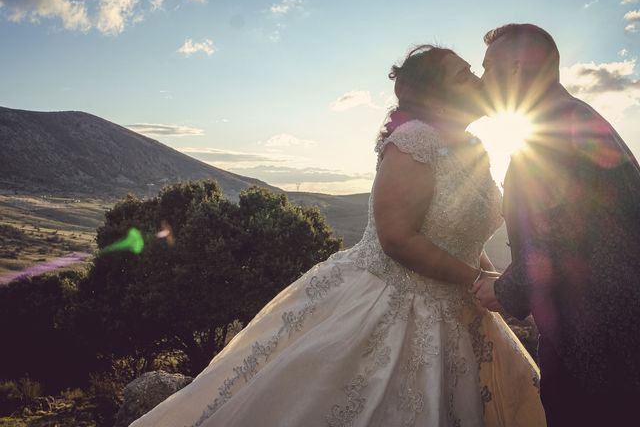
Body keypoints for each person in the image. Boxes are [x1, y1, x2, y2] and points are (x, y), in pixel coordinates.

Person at [130, 45, 545, 427]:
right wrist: (475, 280)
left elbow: (462, 234)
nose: (477, 80)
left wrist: (490, 280)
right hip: (393, 304)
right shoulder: (413, 143)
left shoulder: (475, 146)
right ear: (437, 97)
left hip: (457, 311)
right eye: (463, 75)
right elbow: (397, 238)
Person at [472, 23, 640, 426]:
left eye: (488, 68)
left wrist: (504, 289)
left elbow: (556, 237)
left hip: (598, 344)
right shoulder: (573, 118)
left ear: (515, 69)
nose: (481, 80)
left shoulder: (553, 132)